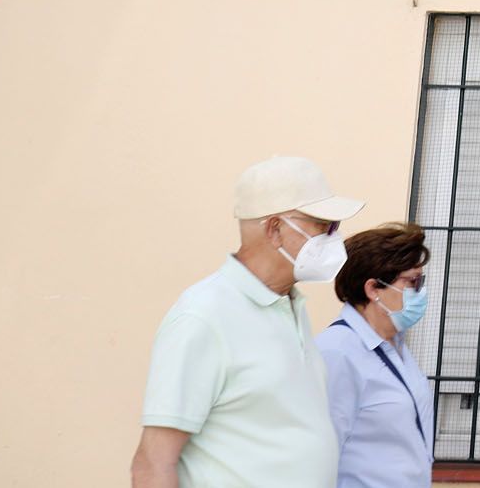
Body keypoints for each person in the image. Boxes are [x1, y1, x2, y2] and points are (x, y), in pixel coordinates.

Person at [132, 157, 365, 488]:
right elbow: (152, 464)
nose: (333, 237)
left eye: (335, 227)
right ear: (274, 229)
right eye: (321, 225)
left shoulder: (290, 307)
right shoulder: (203, 316)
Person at [316, 223, 435, 488]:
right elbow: (316, 458)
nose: (421, 292)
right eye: (412, 282)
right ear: (373, 289)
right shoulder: (336, 353)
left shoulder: (396, 345)